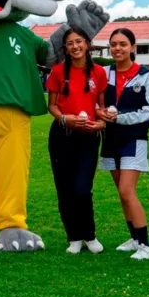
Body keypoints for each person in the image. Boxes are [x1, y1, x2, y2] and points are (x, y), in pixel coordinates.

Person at [97, 27, 149, 260]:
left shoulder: (146, 76)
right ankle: (134, 238)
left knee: (127, 190)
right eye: (113, 44)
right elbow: (95, 99)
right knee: (122, 194)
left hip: (134, 139)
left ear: (133, 47)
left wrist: (120, 118)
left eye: (123, 44)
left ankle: (146, 245)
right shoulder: (104, 73)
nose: (117, 49)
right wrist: (100, 113)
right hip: (110, 139)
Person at [46, 27, 107, 254]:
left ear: (87, 44)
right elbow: (51, 105)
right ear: (66, 49)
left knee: (82, 189)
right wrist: (64, 119)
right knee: (65, 189)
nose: (75, 46)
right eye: (70, 43)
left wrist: (102, 122)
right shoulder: (58, 72)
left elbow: (100, 106)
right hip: (62, 135)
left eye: (78, 41)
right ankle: (73, 237)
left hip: (89, 137)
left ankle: (89, 235)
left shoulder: (99, 72)